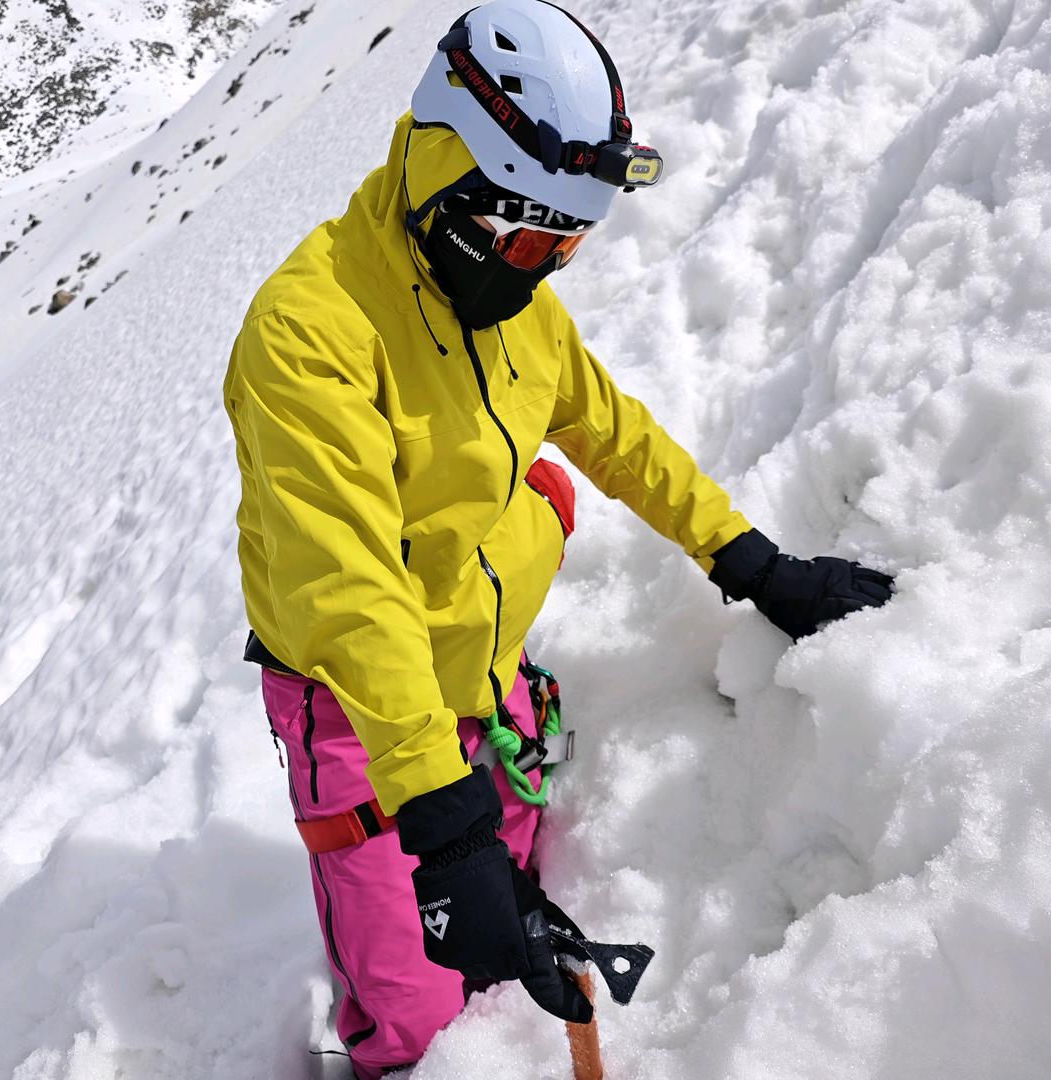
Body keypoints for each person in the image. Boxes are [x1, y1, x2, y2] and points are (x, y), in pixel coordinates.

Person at [223, 2, 895, 1076]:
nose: (545, 266)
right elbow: (350, 592)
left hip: (476, 672)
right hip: (357, 706)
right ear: (448, 176)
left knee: (502, 893)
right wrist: (442, 824)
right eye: (530, 234)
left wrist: (753, 561)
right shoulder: (312, 333)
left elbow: (613, 433)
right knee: (414, 1005)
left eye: (569, 241)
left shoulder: (513, 303)